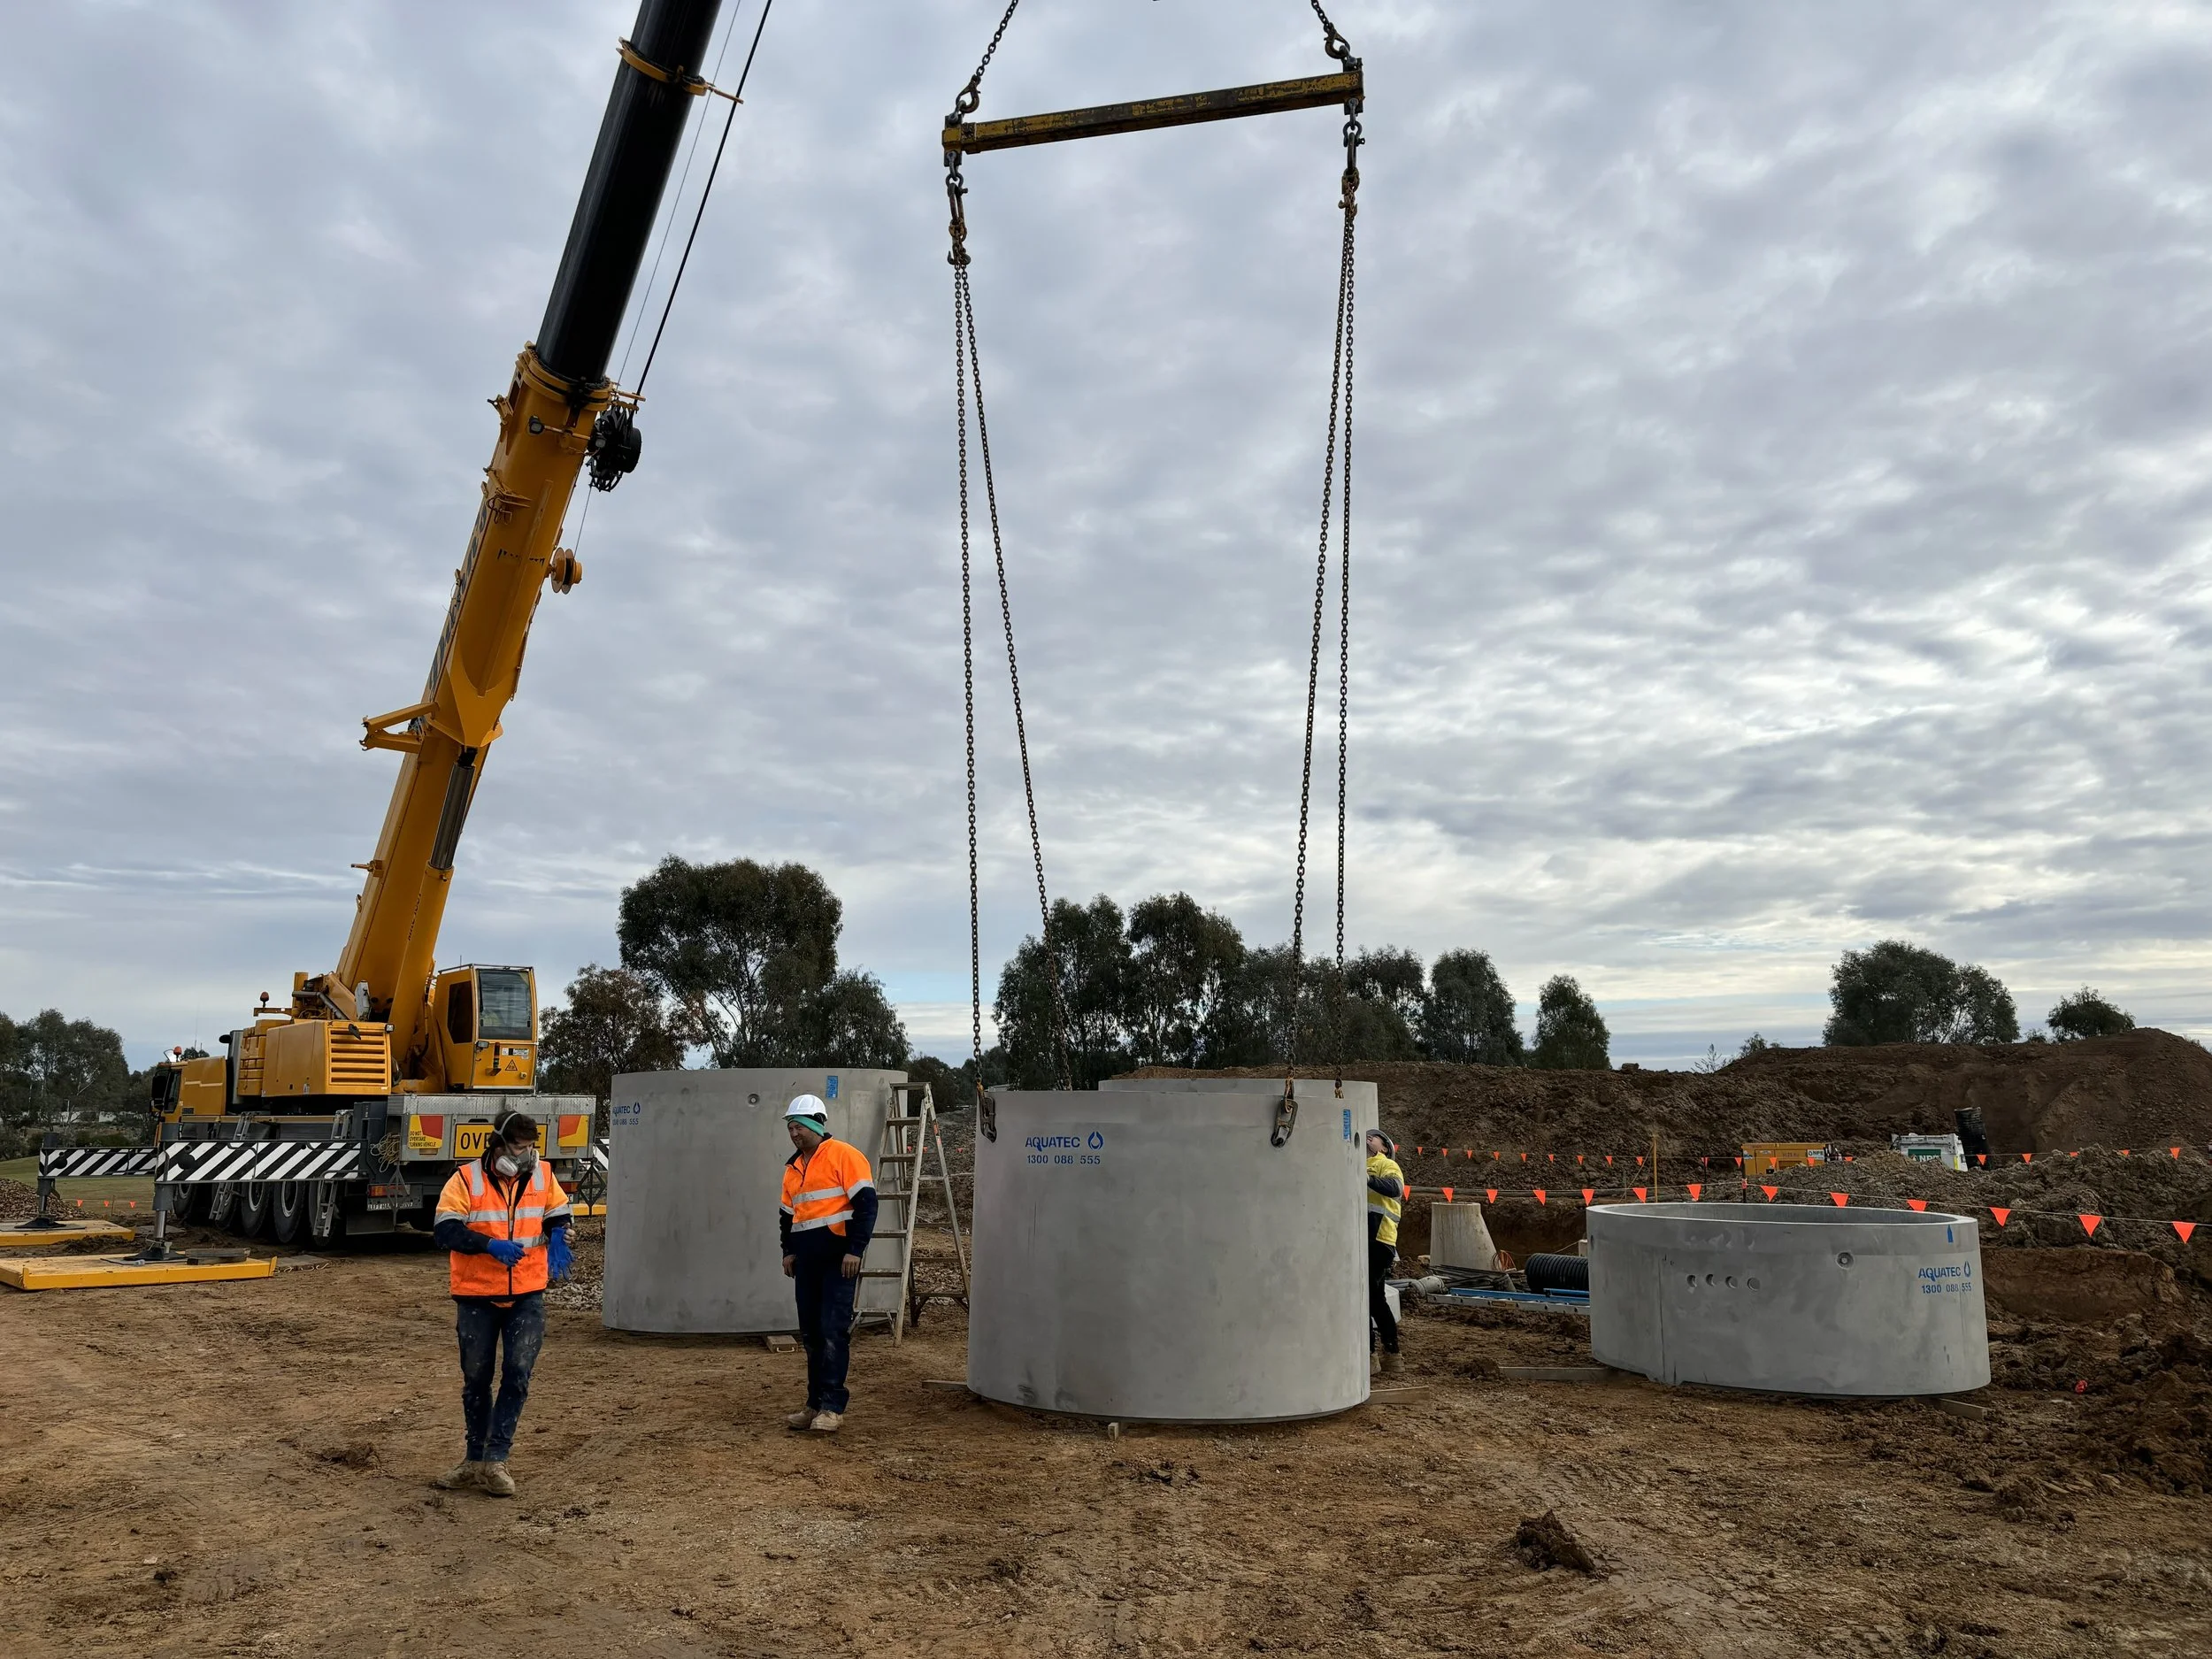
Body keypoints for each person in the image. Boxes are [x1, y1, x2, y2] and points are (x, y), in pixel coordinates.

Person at [431, 1107, 573, 1496]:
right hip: (476, 1295)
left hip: (527, 1293)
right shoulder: (465, 1179)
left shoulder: (541, 1174)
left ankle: (496, 1460)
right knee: (476, 1378)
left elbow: (557, 1210)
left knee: (517, 1373)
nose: (525, 1155)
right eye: (517, 1146)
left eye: (530, 1147)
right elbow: (444, 1230)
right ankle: (474, 1459)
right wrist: (487, 1245)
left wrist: (559, 1231)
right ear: (497, 1144)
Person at [779, 1094, 876, 1433]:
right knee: (812, 1335)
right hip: (806, 1264)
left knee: (833, 1332)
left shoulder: (845, 1156)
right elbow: (787, 1216)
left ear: (815, 1125)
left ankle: (833, 1407)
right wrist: (787, 1252)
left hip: (838, 1262)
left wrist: (855, 1250)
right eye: (790, 1128)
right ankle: (814, 1403)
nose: (794, 1134)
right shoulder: (793, 1168)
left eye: (798, 1127)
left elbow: (866, 1207)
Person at [1365, 1126, 1406, 1378]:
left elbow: (1395, 1187)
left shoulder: (1384, 1164)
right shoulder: (1350, 1163)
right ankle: (1392, 1354)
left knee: (1364, 1298)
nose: (1369, 1137)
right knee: (1375, 1299)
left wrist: (1367, 1178)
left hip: (1379, 1239)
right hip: (1360, 1239)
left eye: (1375, 1137)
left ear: (1384, 1148)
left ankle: (1370, 1355)